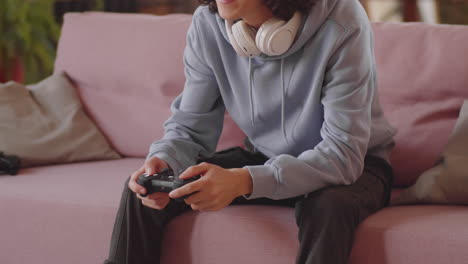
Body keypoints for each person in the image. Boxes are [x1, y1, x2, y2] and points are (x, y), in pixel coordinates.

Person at [103, 0, 397, 263]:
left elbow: (342, 156)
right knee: (145, 186)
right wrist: (165, 160)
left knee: (329, 206)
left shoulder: (343, 19)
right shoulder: (208, 24)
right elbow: (189, 127)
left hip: (354, 167)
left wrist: (244, 181)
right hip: (265, 156)